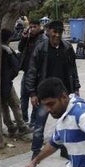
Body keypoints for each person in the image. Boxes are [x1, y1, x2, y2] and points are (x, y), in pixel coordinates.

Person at [24, 21, 80, 159]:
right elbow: (31, 71)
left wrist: (76, 87)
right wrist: (32, 93)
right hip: (45, 93)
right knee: (39, 124)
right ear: (48, 32)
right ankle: (36, 150)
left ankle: (64, 149)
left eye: (59, 32)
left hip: (62, 93)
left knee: (65, 122)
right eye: (54, 32)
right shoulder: (41, 48)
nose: (56, 35)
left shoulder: (67, 48)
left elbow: (73, 69)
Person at [0, 29, 28, 137]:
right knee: (15, 104)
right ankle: (21, 126)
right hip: (6, 82)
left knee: (4, 106)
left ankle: (10, 126)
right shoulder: (7, 51)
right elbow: (16, 67)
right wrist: (10, 76)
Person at [18, 19, 44, 123]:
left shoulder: (43, 39)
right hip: (26, 71)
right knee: (23, 97)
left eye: (34, 27)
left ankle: (33, 121)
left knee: (35, 98)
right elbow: (20, 49)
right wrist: (24, 38)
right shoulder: (28, 38)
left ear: (39, 27)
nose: (32, 29)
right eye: (31, 27)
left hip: (37, 73)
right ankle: (23, 118)